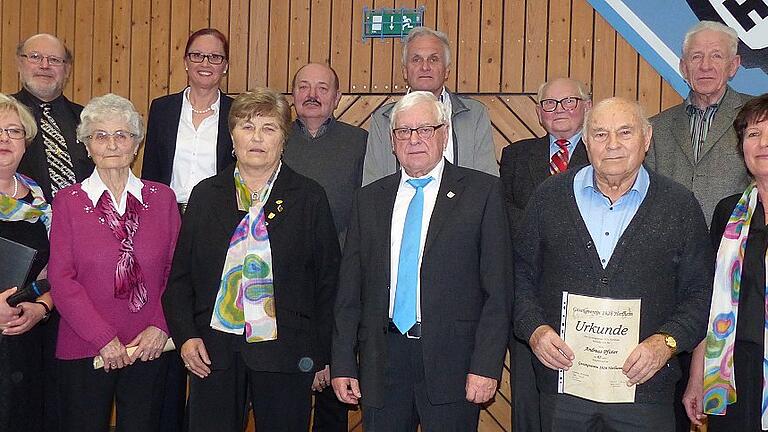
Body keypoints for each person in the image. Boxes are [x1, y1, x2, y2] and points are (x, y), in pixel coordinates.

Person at [514, 97, 713, 431]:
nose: (613, 145)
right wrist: (534, 329)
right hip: (564, 390)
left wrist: (667, 343)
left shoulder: (679, 206)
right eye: (601, 134)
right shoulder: (549, 197)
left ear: (646, 139)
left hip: (645, 391)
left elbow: (700, 293)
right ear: (586, 141)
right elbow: (519, 275)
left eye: (625, 132)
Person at [162, 88, 341, 432]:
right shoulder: (205, 195)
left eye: (269, 128)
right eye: (247, 127)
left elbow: (328, 283)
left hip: (287, 353)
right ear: (232, 136)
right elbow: (180, 278)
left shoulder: (308, 197)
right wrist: (186, 337)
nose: (257, 137)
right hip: (212, 352)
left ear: (283, 139)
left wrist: (322, 355)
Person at [332, 91, 511, 431]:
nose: (414, 139)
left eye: (425, 129)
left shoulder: (482, 193)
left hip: (453, 364)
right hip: (381, 362)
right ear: (392, 140)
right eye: (404, 131)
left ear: (444, 135)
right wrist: (342, 361)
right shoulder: (369, 200)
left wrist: (487, 366)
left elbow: (498, 292)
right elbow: (349, 291)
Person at [49, 93, 181, 432]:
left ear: (136, 145)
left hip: (148, 346)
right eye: (100, 136)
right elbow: (62, 279)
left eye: (122, 135)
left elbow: (177, 272)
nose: (111, 144)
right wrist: (103, 338)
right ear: (87, 145)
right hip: (85, 346)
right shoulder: (67, 202)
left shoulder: (162, 198)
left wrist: (161, 326)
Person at [499, 77, 591, 431]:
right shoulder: (516, 155)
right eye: (550, 104)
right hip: (527, 299)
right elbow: (506, 218)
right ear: (539, 113)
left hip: (587, 299)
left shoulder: (602, 154)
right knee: (527, 403)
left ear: (586, 105)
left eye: (569, 101)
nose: (559, 110)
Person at [282, 62, 367, 431]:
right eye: (303, 86)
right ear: (293, 96)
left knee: (335, 385)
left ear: (337, 96)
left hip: (340, 281)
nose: (312, 94)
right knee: (286, 389)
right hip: (281, 284)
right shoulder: (274, 139)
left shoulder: (360, 142)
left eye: (322, 87)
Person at [683, 94, 768, 431]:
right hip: (735, 371)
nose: (763, 144)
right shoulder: (728, 212)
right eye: (753, 134)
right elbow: (710, 297)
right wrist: (697, 375)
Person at [646, 21, 752, 226]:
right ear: (683, 68)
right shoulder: (656, 128)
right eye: (696, 57)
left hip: (737, 248)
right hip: (672, 250)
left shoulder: (757, 117)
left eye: (716, 56)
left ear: (733, 65)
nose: (705, 66)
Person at [362, 27, 498, 185]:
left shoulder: (474, 115)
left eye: (433, 59)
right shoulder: (383, 119)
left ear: (446, 71)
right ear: (405, 71)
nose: (425, 67)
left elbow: (487, 182)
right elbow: (373, 186)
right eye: (416, 59)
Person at [0, 93, 53, 432]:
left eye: (13, 131)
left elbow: (59, 267)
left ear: (26, 143)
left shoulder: (40, 197)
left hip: (31, 333)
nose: (4, 138)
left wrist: (43, 308)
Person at [142, 28, 235, 213]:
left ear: (225, 66)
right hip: (167, 214)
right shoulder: (162, 109)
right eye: (197, 55)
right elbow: (151, 171)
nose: (205, 63)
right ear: (186, 62)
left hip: (218, 216)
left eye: (215, 57)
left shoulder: (236, 112)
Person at [13, 33, 93, 202]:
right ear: (20, 63)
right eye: (35, 57)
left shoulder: (88, 120)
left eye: (55, 60)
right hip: (16, 222)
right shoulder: (3, 115)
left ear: (67, 70)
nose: (44, 65)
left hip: (79, 223)